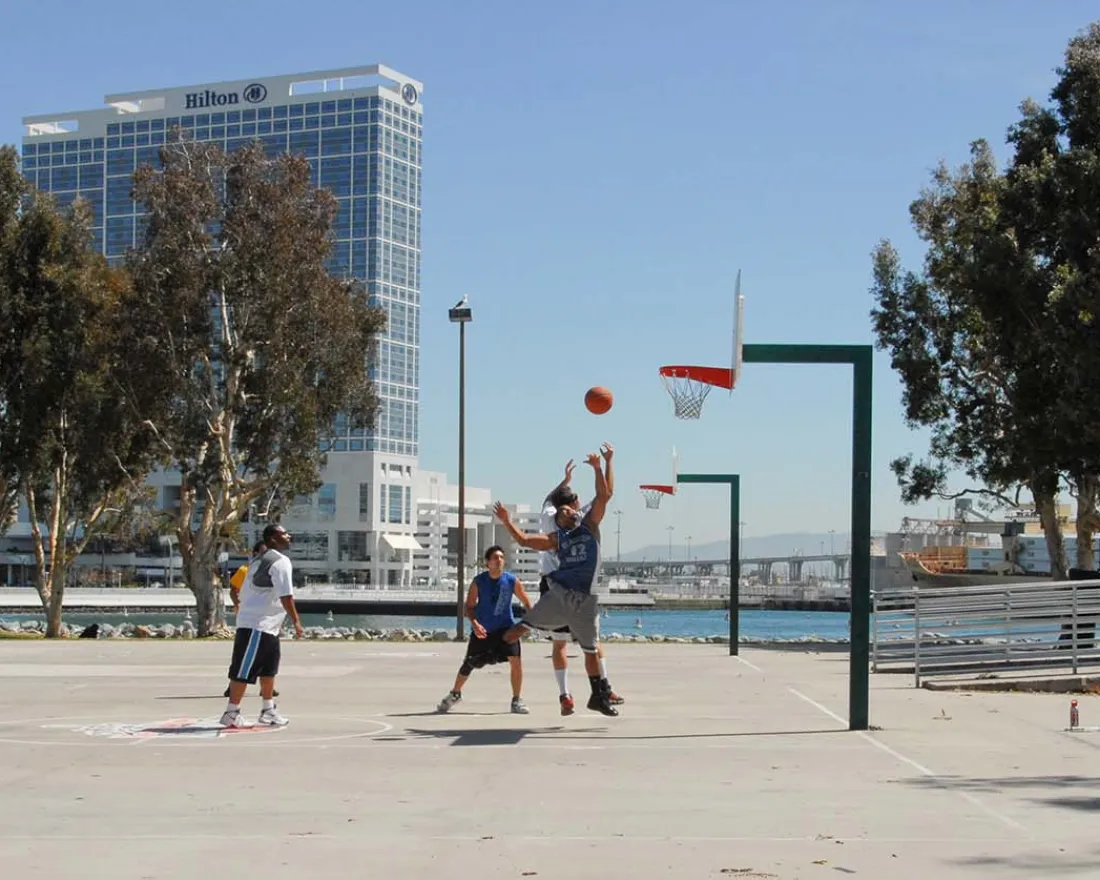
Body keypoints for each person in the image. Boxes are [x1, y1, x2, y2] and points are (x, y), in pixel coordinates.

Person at [495, 444, 618, 717]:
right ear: (560, 519)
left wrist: (604, 465)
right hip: (560, 593)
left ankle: (599, 693)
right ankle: (508, 637)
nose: (567, 512)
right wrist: (506, 520)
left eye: (569, 510)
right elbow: (525, 540)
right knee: (536, 635)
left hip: (585, 598)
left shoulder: (590, 525)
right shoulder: (556, 539)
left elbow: (605, 494)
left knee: (591, 649)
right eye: (561, 512)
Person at [539, 461, 624, 715]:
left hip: (552, 585)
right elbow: (606, 494)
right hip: (578, 586)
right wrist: (607, 462)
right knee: (593, 643)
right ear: (574, 503)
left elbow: (547, 499)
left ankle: (565, 695)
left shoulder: (548, 518)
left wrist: (564, 480)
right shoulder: (581, 518)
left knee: (559, 644)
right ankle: (604, 686)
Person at [220, 523, 304, 728]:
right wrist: (297, 622)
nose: (289, 535)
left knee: (268, 669)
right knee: (243, 670)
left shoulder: (258, 559)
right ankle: (231, 712)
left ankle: (268, 709)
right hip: (256, 625)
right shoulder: (280, 562)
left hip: (268, 626)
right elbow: (287, 596)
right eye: (284, 533)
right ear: (273, 539)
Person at [437, 545, 534, 714]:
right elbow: (470, 606)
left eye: (501, 558)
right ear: (488, 562)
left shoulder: (511, 580)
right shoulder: (479, 581)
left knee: (516, 661)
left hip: (506, 629)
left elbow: (526, 602)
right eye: (495, 558)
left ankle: (516, 700)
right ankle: (455, 694)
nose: (499, 561)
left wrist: (529, 621)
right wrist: (475, 624)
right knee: (468, 663)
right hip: (483, 630)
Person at [223, 540, 275, 699]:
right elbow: (233, 591)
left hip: (266, 620)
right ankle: (232, 687)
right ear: (255, 553)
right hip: (249, 619)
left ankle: (266, 688)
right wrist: (238, 605)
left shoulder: (271, 571)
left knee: (266, 655)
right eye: (263, 552)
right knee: (243, 655)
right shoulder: (246, 570)